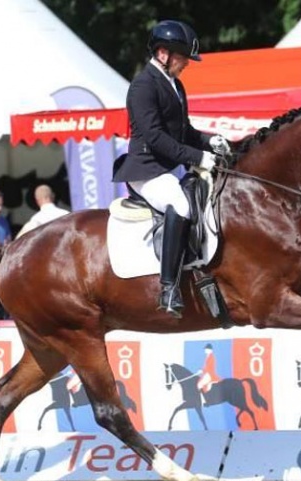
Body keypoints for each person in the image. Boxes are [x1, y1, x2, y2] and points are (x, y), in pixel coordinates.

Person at [112, 20, 231, 319]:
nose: (186, 65)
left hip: (168, 168)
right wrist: (197, 158)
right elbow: (155, 137)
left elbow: (184, 131)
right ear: (163, 53)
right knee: (179, 204)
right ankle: (168, 288)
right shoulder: (142, 86)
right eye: (183, 58)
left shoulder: (175, 85)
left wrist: (209, 142)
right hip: (146, 170)